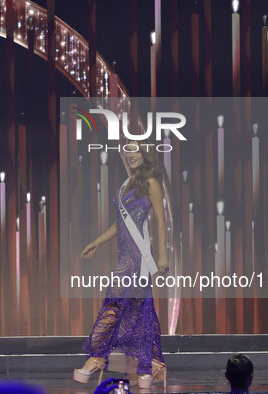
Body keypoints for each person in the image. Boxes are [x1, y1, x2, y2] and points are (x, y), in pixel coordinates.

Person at [73, 140, 168, 390]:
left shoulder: (151, 184)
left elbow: (160, 221)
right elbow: (120, 225)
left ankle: (95, 358)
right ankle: (148, 367)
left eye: (136, 150)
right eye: (128, 152)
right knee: (143, 311)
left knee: (112, 305)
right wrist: (96, 242)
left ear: (145, 155)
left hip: (137, 259)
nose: (131, 155)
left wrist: (162, 255)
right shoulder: (126, 185)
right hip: (124, 255)